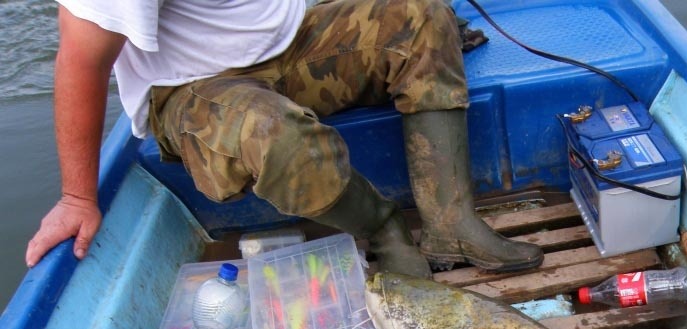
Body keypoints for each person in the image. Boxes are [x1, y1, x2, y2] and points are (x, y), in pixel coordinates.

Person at [25, 0, 544, 278]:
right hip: (192, 88)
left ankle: (450, 225)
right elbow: (80, 60)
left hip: (290, 41)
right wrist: (78, 197)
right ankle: (385, 233)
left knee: (424, 19)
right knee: (279, 139)